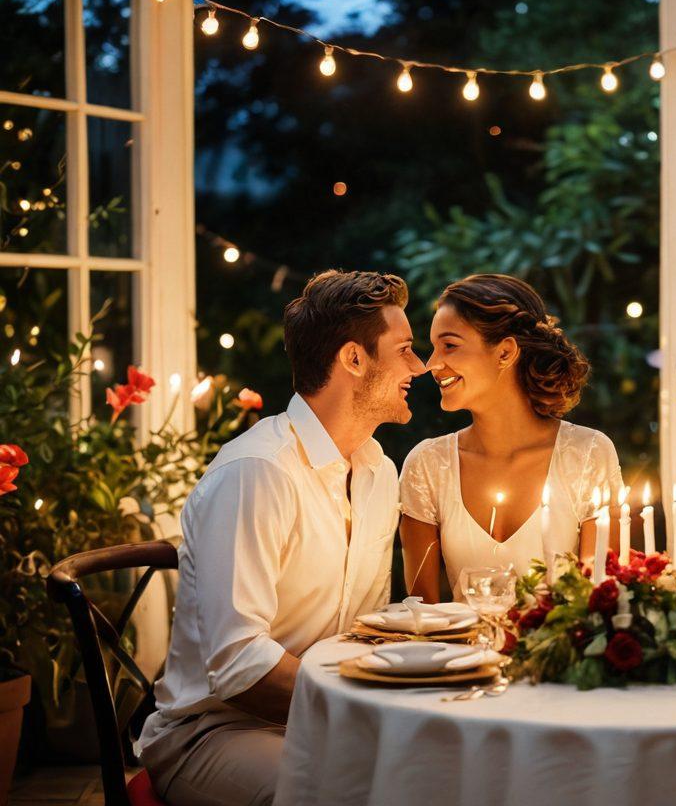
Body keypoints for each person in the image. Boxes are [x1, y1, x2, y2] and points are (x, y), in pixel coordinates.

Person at [137, 270, 427, 805]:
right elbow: (240, 664)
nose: (421, 365)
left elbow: (360, 632)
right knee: (347, 796)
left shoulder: (377, 471)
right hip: (213, 733)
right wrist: (366, 706)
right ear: (353, 359)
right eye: (405, 349)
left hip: (320, 720)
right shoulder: (258, 471)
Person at [400, 274, 622, 602]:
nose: (431, 365)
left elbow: (604, 602)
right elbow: (420, 615)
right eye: (433, 348)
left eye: (449, 345)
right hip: (460, 653)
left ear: (505, 352)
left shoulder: (587, 454)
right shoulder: (428, 465)